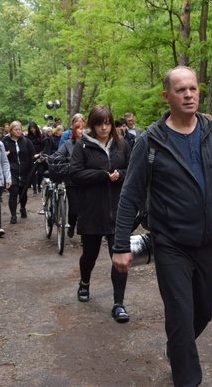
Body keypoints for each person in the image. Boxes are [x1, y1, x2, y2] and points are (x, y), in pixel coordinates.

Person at [112, 66, 212, 387]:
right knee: (179, 315)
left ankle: (177, 348)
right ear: (167, 96)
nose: (189, 94)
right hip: (171, 243)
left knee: (203, 311)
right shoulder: (151, 142)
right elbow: (130, 194)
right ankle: (187, 375)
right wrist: (120, 244)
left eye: (193, 88)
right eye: (181, 90)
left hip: (209, 242)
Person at [69, 105, 132, 322]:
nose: (104, 128)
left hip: (118, 210)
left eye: (107, 123)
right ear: (92, 125)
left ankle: (119, 303)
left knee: (120, 257)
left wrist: (120, 174)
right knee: (90, 255)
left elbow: (132, 171)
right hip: (92, 210)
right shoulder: (82, 146)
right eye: (99, 123)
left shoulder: (122, 145)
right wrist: (102, 176)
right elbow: (75, 174)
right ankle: (84, 283)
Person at [54, 113, 86, 238]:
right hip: (72, 181)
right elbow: (58, 155)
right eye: (79, 128)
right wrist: (58, 160)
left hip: (86, 181)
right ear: (74, 129)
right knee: (74, 209)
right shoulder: (68, 143)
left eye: (84, 128)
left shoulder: (90, 144)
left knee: (85, 210)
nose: (81, 131)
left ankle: (85, 235)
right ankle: (72, 224)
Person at [2, 121, 36, 224]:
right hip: (12, 171)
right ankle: (13, 215)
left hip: (25, 171)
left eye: (19, 129)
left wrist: (34, 167)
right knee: (13, 192)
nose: (18, 131)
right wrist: (4, 155)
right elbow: (0, 155)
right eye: (15, 130)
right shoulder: (5, 142)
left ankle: (23, 207)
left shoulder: (26, 141)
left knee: (23, 192)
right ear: (11, 131)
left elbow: (32, 154)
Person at [26, 122, 45, 196]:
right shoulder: (28, 137)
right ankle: (34, 189)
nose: (32, 129)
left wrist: (41, 154)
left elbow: (44, 146)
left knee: (40, 173)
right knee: (33, 173)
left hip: (40, 155)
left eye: (33, 128)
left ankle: (39, 185)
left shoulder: (41, 136)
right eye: (31, 128)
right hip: (32, 156)